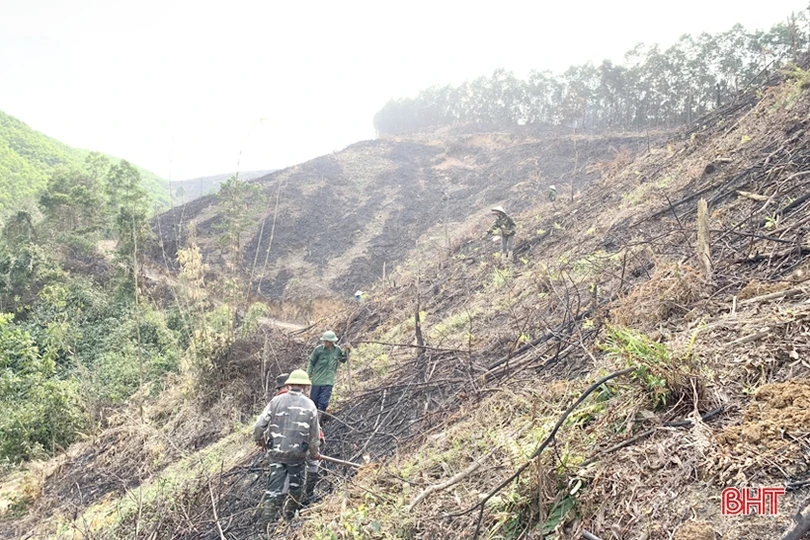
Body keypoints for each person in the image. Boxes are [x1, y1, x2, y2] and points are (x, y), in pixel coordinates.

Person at [253, 370, 320, 528]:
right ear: (305, 386)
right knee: (296, 488)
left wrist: (260, 441)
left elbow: (258, 426)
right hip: (297, 456)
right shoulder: (310, 405)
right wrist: (314, 453)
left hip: (276, 454)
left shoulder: (275, 402)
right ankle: (288, 519)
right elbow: (314, 435)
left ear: (289, 384)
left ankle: (265, 527)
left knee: (273, 491)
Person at [307, 330, 350, 412]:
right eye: (324, 341)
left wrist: (347, 350)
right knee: (313, 402)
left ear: (332, 342)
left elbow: (343, 359)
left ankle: (320, 420)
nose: (325, 343)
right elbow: (311, 362)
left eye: (327, 341)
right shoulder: (318, 350)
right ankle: (312, 420)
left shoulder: (337, 350)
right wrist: (307, 375)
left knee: (323, 403)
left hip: (328, 381)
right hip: (317, 380)